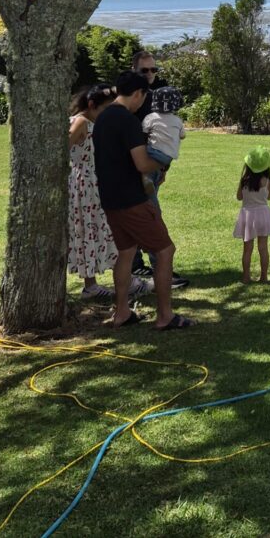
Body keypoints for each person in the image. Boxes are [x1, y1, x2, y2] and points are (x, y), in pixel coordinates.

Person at [93, 71, 194, 330]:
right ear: (137, 93)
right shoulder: (127, 120)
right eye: (143, 97)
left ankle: (122, 312)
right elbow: (142, 163)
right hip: (132, 199)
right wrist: (162, 163)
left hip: (110, 198)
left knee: (126, 253)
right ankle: (165, 316)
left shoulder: (102, 117)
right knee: (165, 251)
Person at [130, 51, 188, 289]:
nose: (150, 74)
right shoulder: (130, 100)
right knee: (151, 216)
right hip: (134, 167)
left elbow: (169, 138)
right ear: (134, 70)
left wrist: (164, 168)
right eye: (144, 70)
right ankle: (161, 272)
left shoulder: (156, 99)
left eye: (154, 69)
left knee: (138, 216)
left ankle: (136, 265)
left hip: (151, 168)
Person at [67, 84, 120, 300]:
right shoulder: (81, 122)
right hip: (83, 183)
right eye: (105, 108)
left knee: (91, 228)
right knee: (86, 227)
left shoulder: (92, 122)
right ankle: (90, 285)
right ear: (91, 105)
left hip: (91, 181)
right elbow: (64, 146)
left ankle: (92, 283)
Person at [234, 145, 270, 284]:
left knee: (247, 249)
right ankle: (264, 277)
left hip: (248, 215)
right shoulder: (267, 181)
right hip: (263, 215)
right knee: (263, 248)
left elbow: (239, 197)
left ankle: (246, 277)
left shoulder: (244, 181)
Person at [142, 86, 186, 195]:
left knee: (138, 155)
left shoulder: (150, 117)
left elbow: (143, 134)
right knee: (156, 182)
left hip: (153, 153)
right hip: (168, 157)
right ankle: (151, 184)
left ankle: (144, 177)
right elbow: (182, 136)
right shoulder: (177, 120)